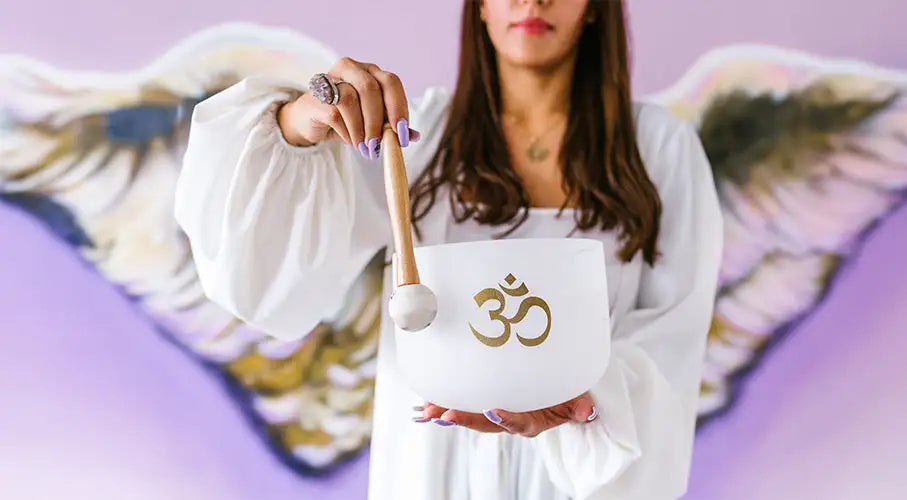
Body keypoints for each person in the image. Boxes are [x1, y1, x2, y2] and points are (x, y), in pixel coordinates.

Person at [174, 0, 723, 498]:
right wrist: (296, 125)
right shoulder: (414, 136)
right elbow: (271, 271)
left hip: (579, 471)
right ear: (478, 6)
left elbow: (672, 336)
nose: (533, 1)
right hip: (431, 467)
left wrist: (583, 400)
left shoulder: (660, 150)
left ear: (598, 8)